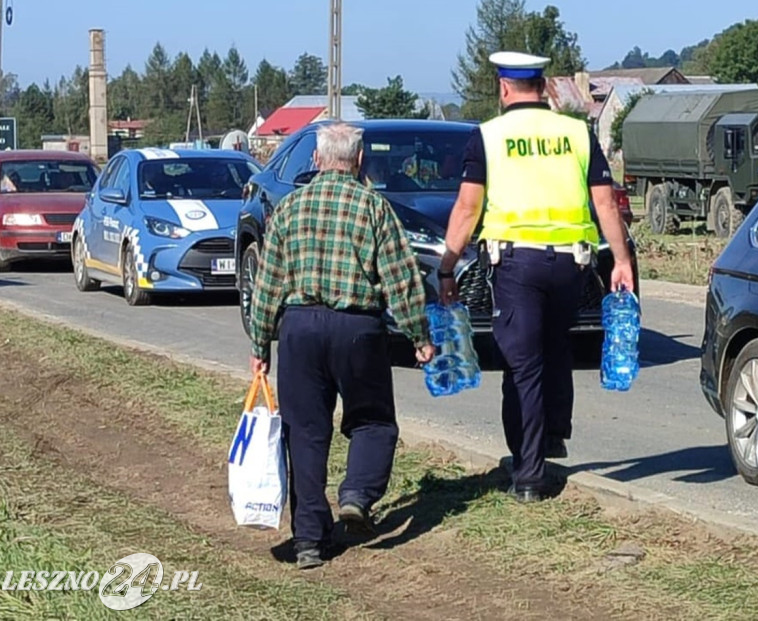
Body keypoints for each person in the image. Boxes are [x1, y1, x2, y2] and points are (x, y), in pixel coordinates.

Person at [437, 51, 636, 504]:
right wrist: (620, 260)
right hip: (572, 263)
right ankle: (552, 436)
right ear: (544, 88)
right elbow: (605, 204)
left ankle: (528, 474)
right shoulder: (576, 133)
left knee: (522, 364)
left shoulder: (488, 136)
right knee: (556, 347)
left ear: (504, 88)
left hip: (516, 266)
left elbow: (467, 208)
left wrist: (447, 268)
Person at [249, 122, 435, 570]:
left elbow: (267, 283)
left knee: (305, 434)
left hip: (298, 329)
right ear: (360, 159)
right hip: (358, 328)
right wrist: (418, 336)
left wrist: (260, 344)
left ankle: (309, 541)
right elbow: (401, 278)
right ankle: (357, 496)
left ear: (316, 160)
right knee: (372, 420)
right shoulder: (374, 208)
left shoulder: (289, 209)